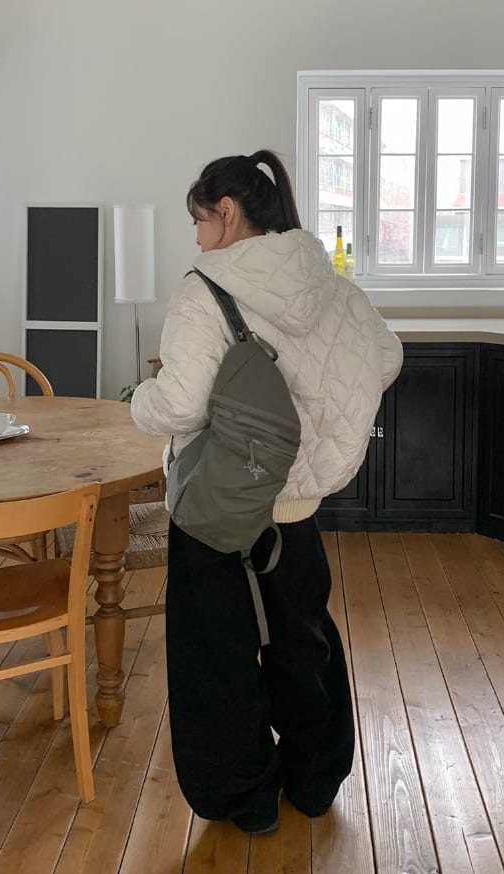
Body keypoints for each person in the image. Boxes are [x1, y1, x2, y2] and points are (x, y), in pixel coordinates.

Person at [130, 150, 403, 835]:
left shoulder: (204, 289)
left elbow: (180, 404)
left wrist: (139, 400)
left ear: (227, 213)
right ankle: (314, 781)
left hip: (217, 507)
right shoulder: (331, 284)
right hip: (296, 505)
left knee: (216, 657)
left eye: (199, 221)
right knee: (302, 641)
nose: (197, 238)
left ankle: (246, 799)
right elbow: (388, 357)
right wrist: (314, 415)